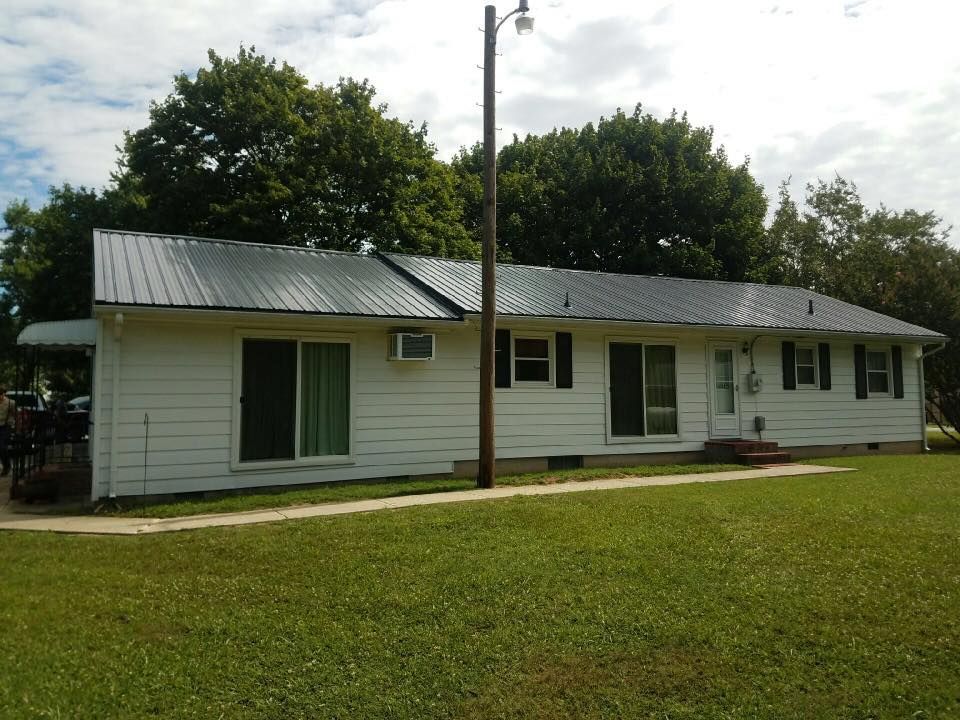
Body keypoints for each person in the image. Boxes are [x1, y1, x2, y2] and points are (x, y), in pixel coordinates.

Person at [0, 386, 15, 476]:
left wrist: (13, 425)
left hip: (5, 427)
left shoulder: (10, 403)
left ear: (4, 394)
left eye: (1, 394)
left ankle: (7, 466)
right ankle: (6, 465)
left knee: (2, 447)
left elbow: (15, 415)